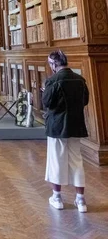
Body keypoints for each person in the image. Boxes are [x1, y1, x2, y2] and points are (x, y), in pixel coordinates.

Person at [42, 50, 89, 212]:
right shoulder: (80, 79)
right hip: (76, 125)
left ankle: (57, 197)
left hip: (57, 126)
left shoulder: (53, 81)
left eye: (50, 64)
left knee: (56, 160)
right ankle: (81, 200)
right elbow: (85, 100)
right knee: (77, 161)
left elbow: (47, 102)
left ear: (54, 64)